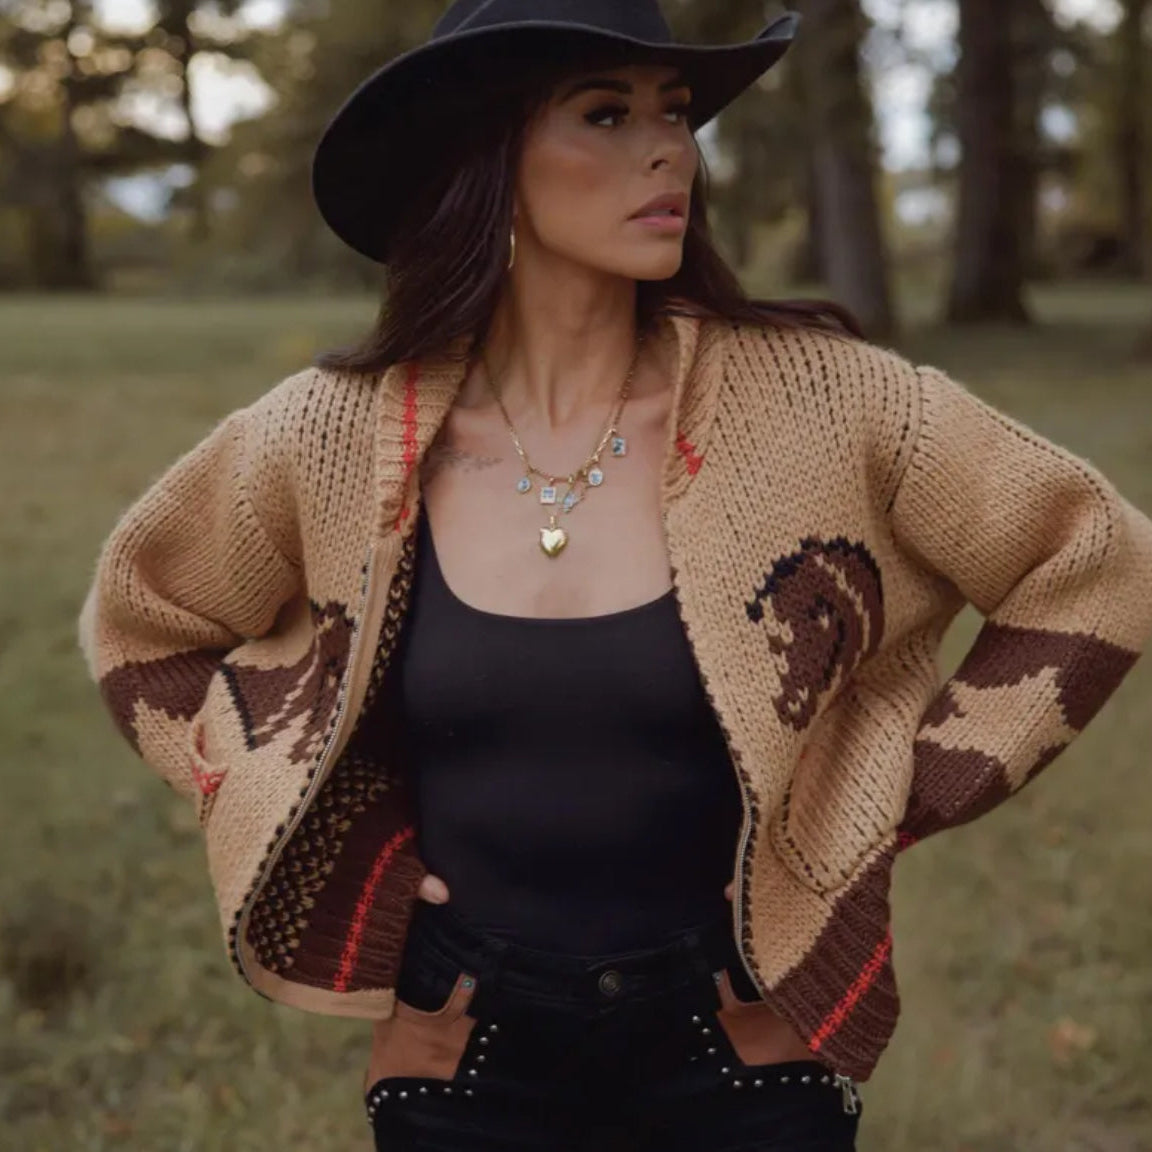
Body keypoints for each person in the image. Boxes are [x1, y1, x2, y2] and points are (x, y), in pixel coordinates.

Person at [77, 1, 1152, 1149]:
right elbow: (145, 624)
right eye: (605, 112)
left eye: (676, 115)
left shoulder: (829, 402)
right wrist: (312, 822)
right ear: (483, 158)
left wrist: (895, 800)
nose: (668, 151)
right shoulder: (333, 434)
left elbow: (1095, 561)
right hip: (463, 1052)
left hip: (740, 1047)